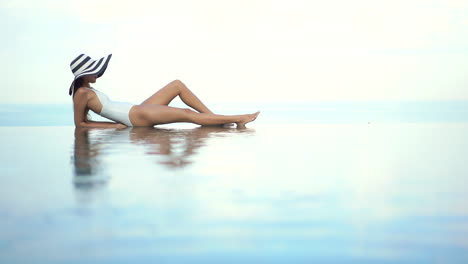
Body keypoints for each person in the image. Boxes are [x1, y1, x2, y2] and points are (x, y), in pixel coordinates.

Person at [69, 54, 260, 129]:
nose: (98, 73)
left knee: (177, 84)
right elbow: (81, 124)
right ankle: (238, 118)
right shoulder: (81, 94)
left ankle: (215, 118)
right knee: (187, 114)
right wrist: (116, 126)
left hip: (136, 110)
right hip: (135, 117)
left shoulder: (88, 90)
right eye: (94, 70)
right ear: (84, 74)